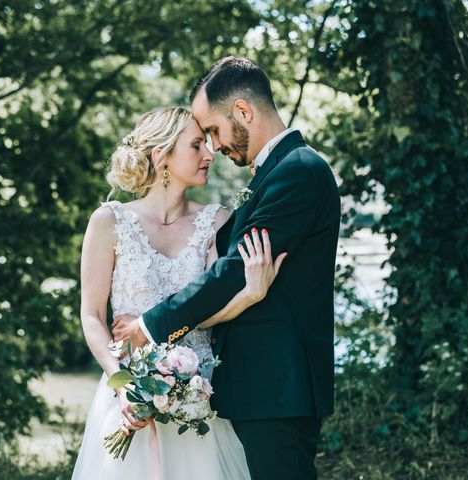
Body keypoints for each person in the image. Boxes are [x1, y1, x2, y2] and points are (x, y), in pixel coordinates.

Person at [112, 57, 341, 479]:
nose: (213, 147)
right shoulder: (276, 173)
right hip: (260, 387)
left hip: (278, 387)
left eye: (213, 131)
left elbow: (233, 269)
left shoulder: (299, 172)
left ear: (242, 111)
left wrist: (150, 325)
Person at [71, 106, 286, 480]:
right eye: (197, 145)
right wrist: (124, 387)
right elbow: (91, 316)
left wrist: (250, 294)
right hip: (128, 398)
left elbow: (206, 310)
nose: (209, 154)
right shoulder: (109, 221)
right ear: (161, 155)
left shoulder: (216, 221)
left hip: (199, 400)